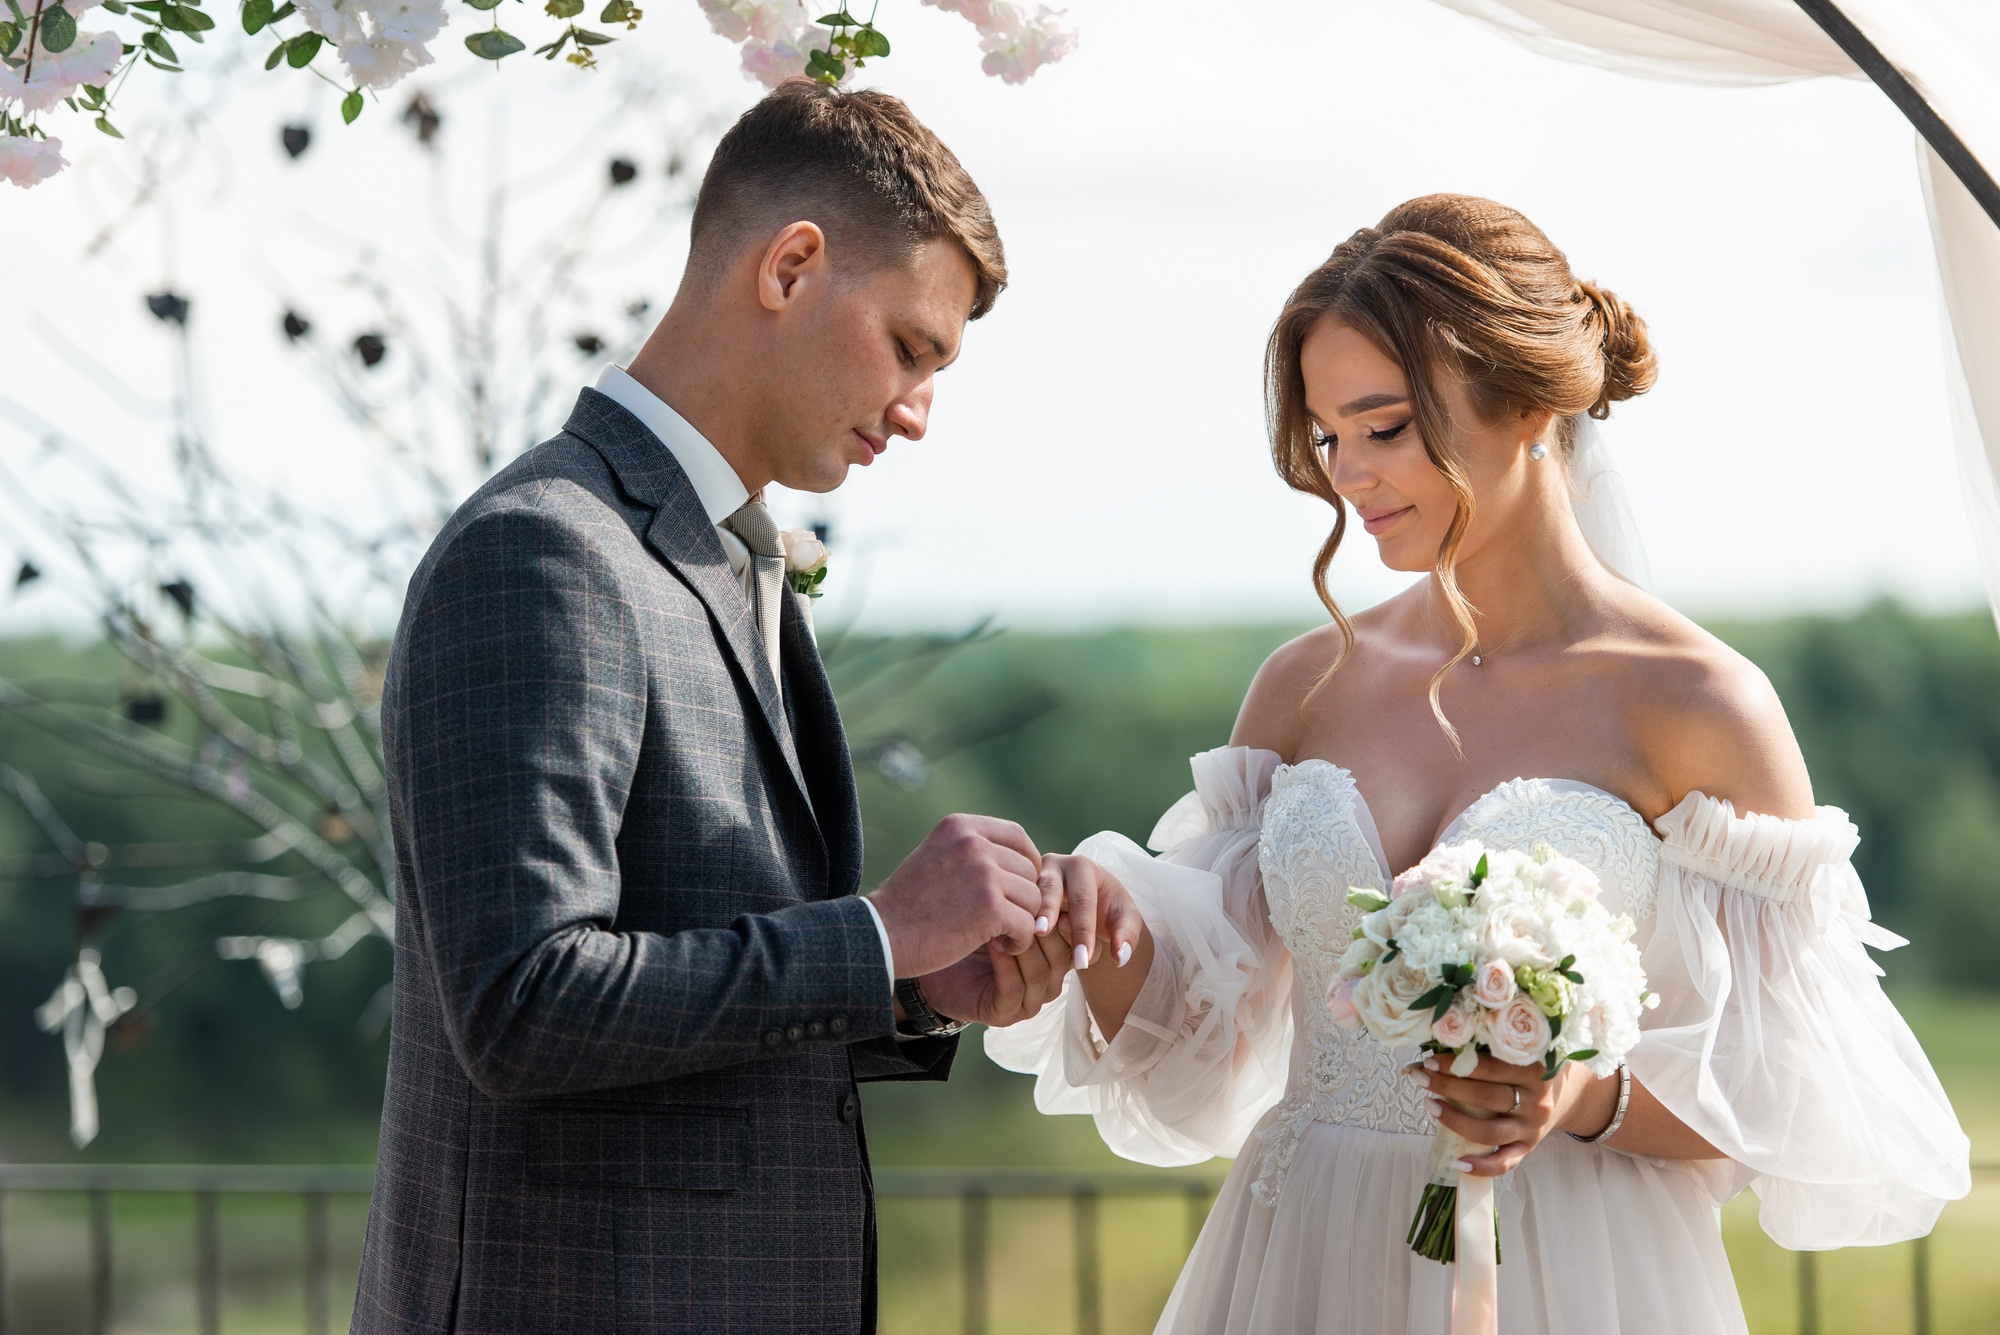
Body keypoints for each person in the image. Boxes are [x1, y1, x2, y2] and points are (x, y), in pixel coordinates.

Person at [991, 193, 1972, 1334]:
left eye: (1385, 427)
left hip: (1572, 1270)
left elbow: (1792, 1092)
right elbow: (1205, 1037)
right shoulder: (1304, 682)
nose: (1348, 475)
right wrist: (1096, 927)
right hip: (1304, 1255)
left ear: (1530, 406)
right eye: (1328, 436)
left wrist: (1578, 1094)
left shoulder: (1699, 704)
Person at [351, 81, 1076, 1335]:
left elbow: (687, 976)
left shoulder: (721, 551)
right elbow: (522, 1005)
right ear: (790, 267)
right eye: (910, 348)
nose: (916, 412)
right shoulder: (543, 552)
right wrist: (875, 933)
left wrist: (908, 983)